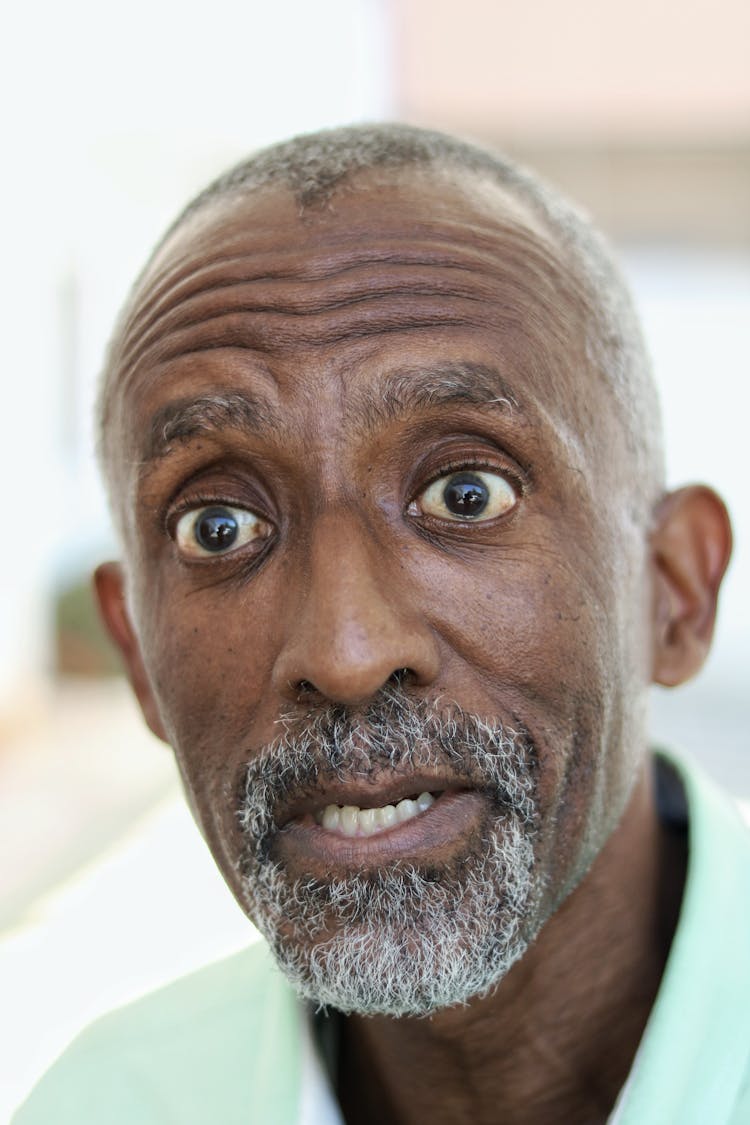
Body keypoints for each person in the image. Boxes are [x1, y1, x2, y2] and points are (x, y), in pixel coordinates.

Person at [14, 124, 749, 1124]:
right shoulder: (105, 1105)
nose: (345, 652)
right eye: (218, 526)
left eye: (466, 493)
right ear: (139, 652)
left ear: (676, 591)